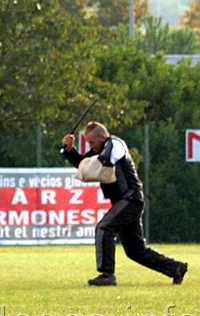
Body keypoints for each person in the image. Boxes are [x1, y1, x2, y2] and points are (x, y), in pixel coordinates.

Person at [62, 121, 187, 286]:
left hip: (130, 199)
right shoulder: (98, 151)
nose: (90, 146)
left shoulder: (115, 144)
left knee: (104, 228)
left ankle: (107, 274)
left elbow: (105, 160)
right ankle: (175, 268)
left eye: (92, 142)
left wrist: (92, 160)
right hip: (124, 202)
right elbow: (84, 164)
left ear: (103, 137)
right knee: (135, 251)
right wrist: (69, 150)